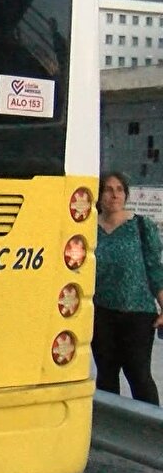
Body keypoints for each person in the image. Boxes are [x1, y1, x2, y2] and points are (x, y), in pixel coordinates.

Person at [93, 171, 162, 405]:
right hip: (101, 314)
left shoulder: (142, 226)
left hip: (138, 314)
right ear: (99, 195)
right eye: (108, 190)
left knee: (139, 376)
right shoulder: (88, 230)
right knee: (106, 376)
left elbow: (155, 269)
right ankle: (112, 430)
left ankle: (151, 430)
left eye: (119, 190)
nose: (114, 195)